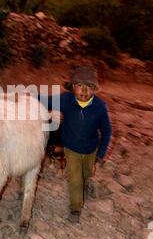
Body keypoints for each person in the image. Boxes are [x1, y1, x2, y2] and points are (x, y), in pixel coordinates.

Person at [43, 66, 112, 223]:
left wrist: (100, 155)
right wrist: (29, 96)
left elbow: (107, 132)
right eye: (79, 85)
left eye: (88, 87)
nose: (84, 90)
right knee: (74, 178)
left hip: (90, 150)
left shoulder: (100, 107)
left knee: (86, 174)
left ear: (94, 89)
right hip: (71, 149)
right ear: (73, 87)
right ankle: (75, 209)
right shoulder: (66, 100)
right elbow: (46, 100)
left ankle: (85, 184)